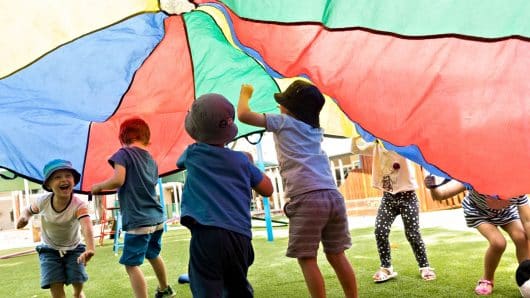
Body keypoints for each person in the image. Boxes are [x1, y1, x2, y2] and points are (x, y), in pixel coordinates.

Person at [238, 80, 358, 298]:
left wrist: (245, 94)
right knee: (337, 254)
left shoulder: (283, 122)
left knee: (307, 257)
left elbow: (244, 115)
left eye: (282, 103)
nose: (279, 106)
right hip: (332, 196)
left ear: (290, 108)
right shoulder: (314, 130)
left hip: (307, 198)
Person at [178, 93, 274, 297]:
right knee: (237, 287)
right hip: (239, 237)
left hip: (207, 234)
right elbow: (267, 189)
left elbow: (181, 162)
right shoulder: (242, 161)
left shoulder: (192, 153)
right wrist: (250, 163)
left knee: (206, 287)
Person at [91, 117, 175, 298]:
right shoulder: (151, 160)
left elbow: (118, 180)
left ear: (123, 136)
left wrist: (98, 186)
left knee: (131, 265)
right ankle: (164, 288)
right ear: (146, 136)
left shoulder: (123, 154)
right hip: (157, 218)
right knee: (153, 254)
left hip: (138, 220)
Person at [425, 176, 530, 295]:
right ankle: (487, 279)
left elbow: (527, 222)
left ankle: (527, 276)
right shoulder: (475, 177)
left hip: (506, 213)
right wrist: (433, 188)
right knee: (498, 243)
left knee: (521, 237)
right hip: (478, 213)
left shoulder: (517, 187)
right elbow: (442, 195)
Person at [356, 139, 436, 283]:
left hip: (408, 197)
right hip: (388, 198)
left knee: (412, 233)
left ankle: (425, 266)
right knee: (380, 230)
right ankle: (386, 267)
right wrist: (354, 133)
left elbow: (421, 150)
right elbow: (357, 149)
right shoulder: (376, 146)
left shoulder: (403, 144)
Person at [16, 159, 95, 298]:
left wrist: (90, 248)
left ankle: (77, 293)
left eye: (68, 176)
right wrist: (24, 218)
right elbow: (27, 210)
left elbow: (87, 226)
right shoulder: (43, 201)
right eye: (57, 177)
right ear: (48, 184)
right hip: (49, 249)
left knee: (78, 279)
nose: (64, 180)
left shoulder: (79, 205)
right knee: (55, 284)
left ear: (74, 181)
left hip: (74, 248)